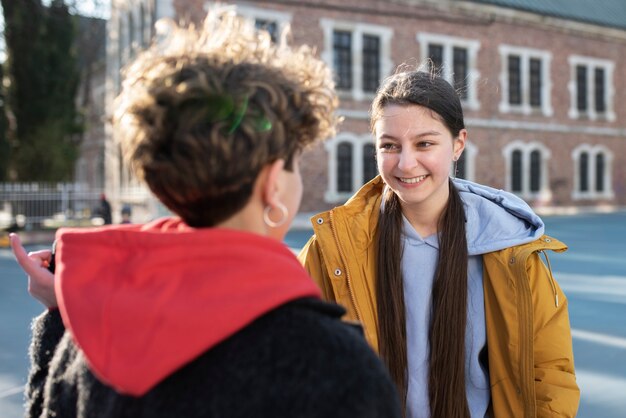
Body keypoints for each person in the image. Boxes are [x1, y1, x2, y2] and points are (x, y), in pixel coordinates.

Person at [9, 9, 401, 418]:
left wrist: (60, 315)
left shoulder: (90, 342)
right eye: (295, 162)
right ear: (272, 184)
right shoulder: (340, 369)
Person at [299, 70, 580, 418]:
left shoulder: (511, 252)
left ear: (458, 144)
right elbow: (297, 366)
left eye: (424, 144)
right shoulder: (330, 252)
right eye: (389, 145)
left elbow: (549, 372)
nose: (405, 162)